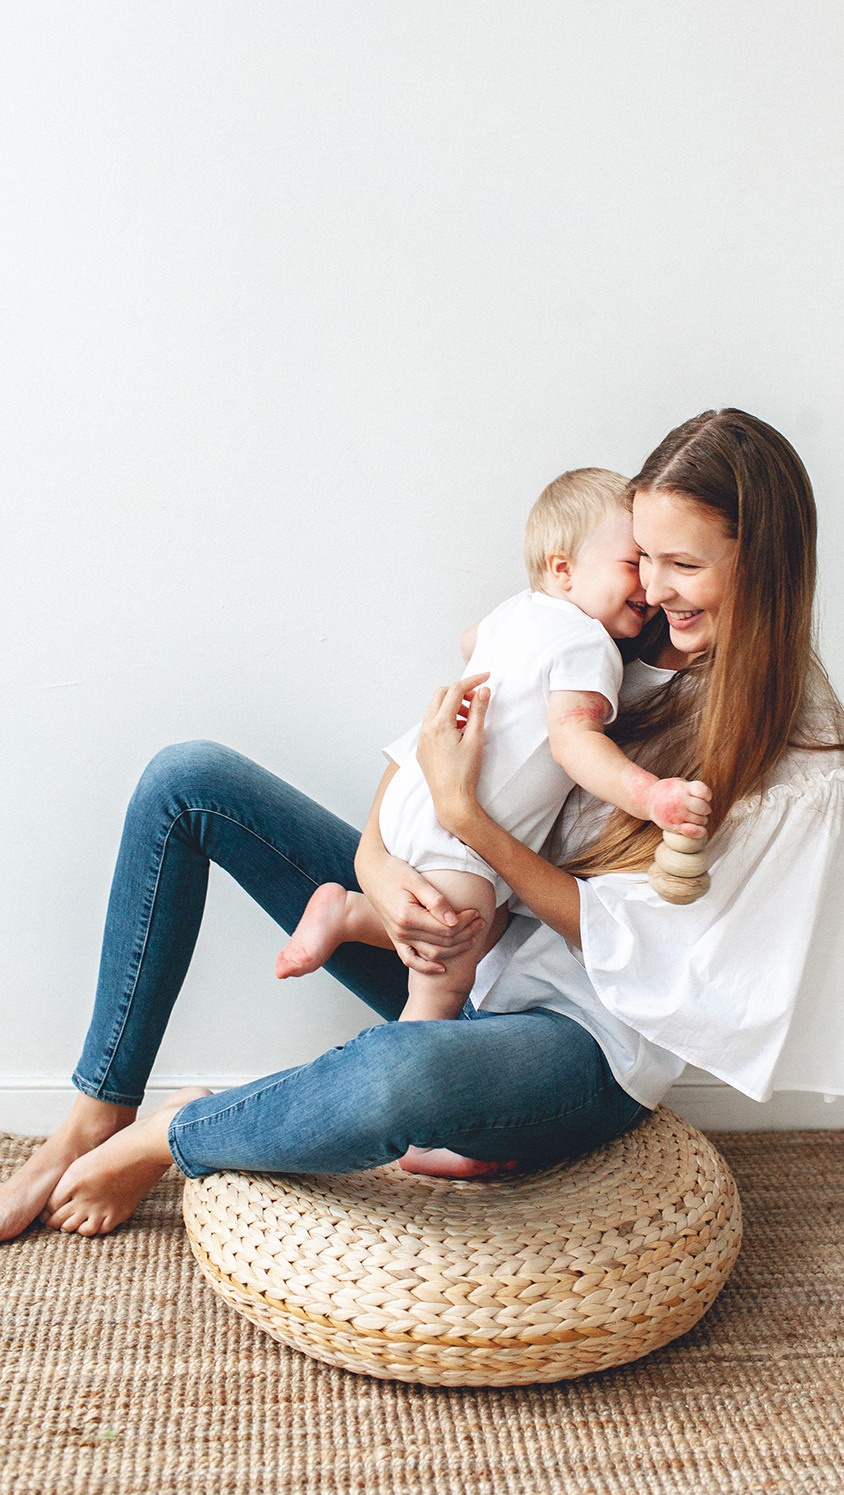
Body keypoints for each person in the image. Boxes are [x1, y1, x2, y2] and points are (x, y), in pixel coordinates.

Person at [2, 407, 843, 1242]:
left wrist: (467, 822)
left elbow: (659, 962)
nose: (653, 589)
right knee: (187, 782)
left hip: (578, 1045)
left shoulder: (798, 745)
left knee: (396, 1075)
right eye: (645, 556)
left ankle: (173, 1133)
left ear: (762, 563)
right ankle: (98, 1111)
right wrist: (377, 867)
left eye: (683, 565)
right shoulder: (609, 625)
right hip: (462, 943)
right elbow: (437, 745)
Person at [275, 467, 710, 1024]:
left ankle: (351, 913)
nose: (649, 588)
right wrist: (650, 797)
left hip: (415, 793)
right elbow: (575, 743)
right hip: (461, 843)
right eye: (633, 564)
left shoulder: (517, 611)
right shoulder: (587, 644)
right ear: (563, 568)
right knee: (445, 979)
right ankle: (411, 1061)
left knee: (484, 926)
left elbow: (469, 642)